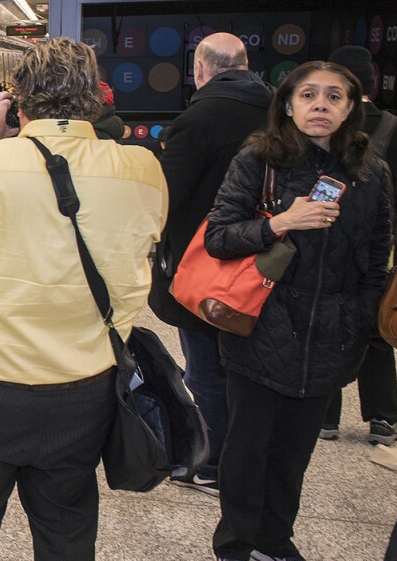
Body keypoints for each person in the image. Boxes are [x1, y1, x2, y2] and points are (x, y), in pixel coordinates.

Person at [0, 37, 168, 561]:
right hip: (85, 397)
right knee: (68, 535)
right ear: (95, 98)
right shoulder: (144, 169)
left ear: (18, 100)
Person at [207, 61, 391, 561]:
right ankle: (236, 543)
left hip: (330, 336)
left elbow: (378, 255)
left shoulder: (370, 172)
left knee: (293, 452)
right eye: (308, 95)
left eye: (334, 96)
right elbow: (219, 236)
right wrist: (280, 222)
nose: (320, 105)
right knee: (247, 450)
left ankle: (274, 539)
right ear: (287, 105)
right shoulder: (258, 159)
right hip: (260, 329)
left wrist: (361, 321)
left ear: (350, 108)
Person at [148, 32, 273, 495]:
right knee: (247, 368)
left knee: (204, 367)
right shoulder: (280, 111)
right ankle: (248, 455)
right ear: (244, 63)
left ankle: (215, 464)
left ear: (199, 70)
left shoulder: (197, 119)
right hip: (266, 264)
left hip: (207, 266)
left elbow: (168, 196)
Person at [320, 44, 397, 445]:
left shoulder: (321, 124)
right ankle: (382, 419)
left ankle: (325, 417)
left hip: (324, 233)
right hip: (379, 239)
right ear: (372, 83)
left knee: (324, 322)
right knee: (376, 325)